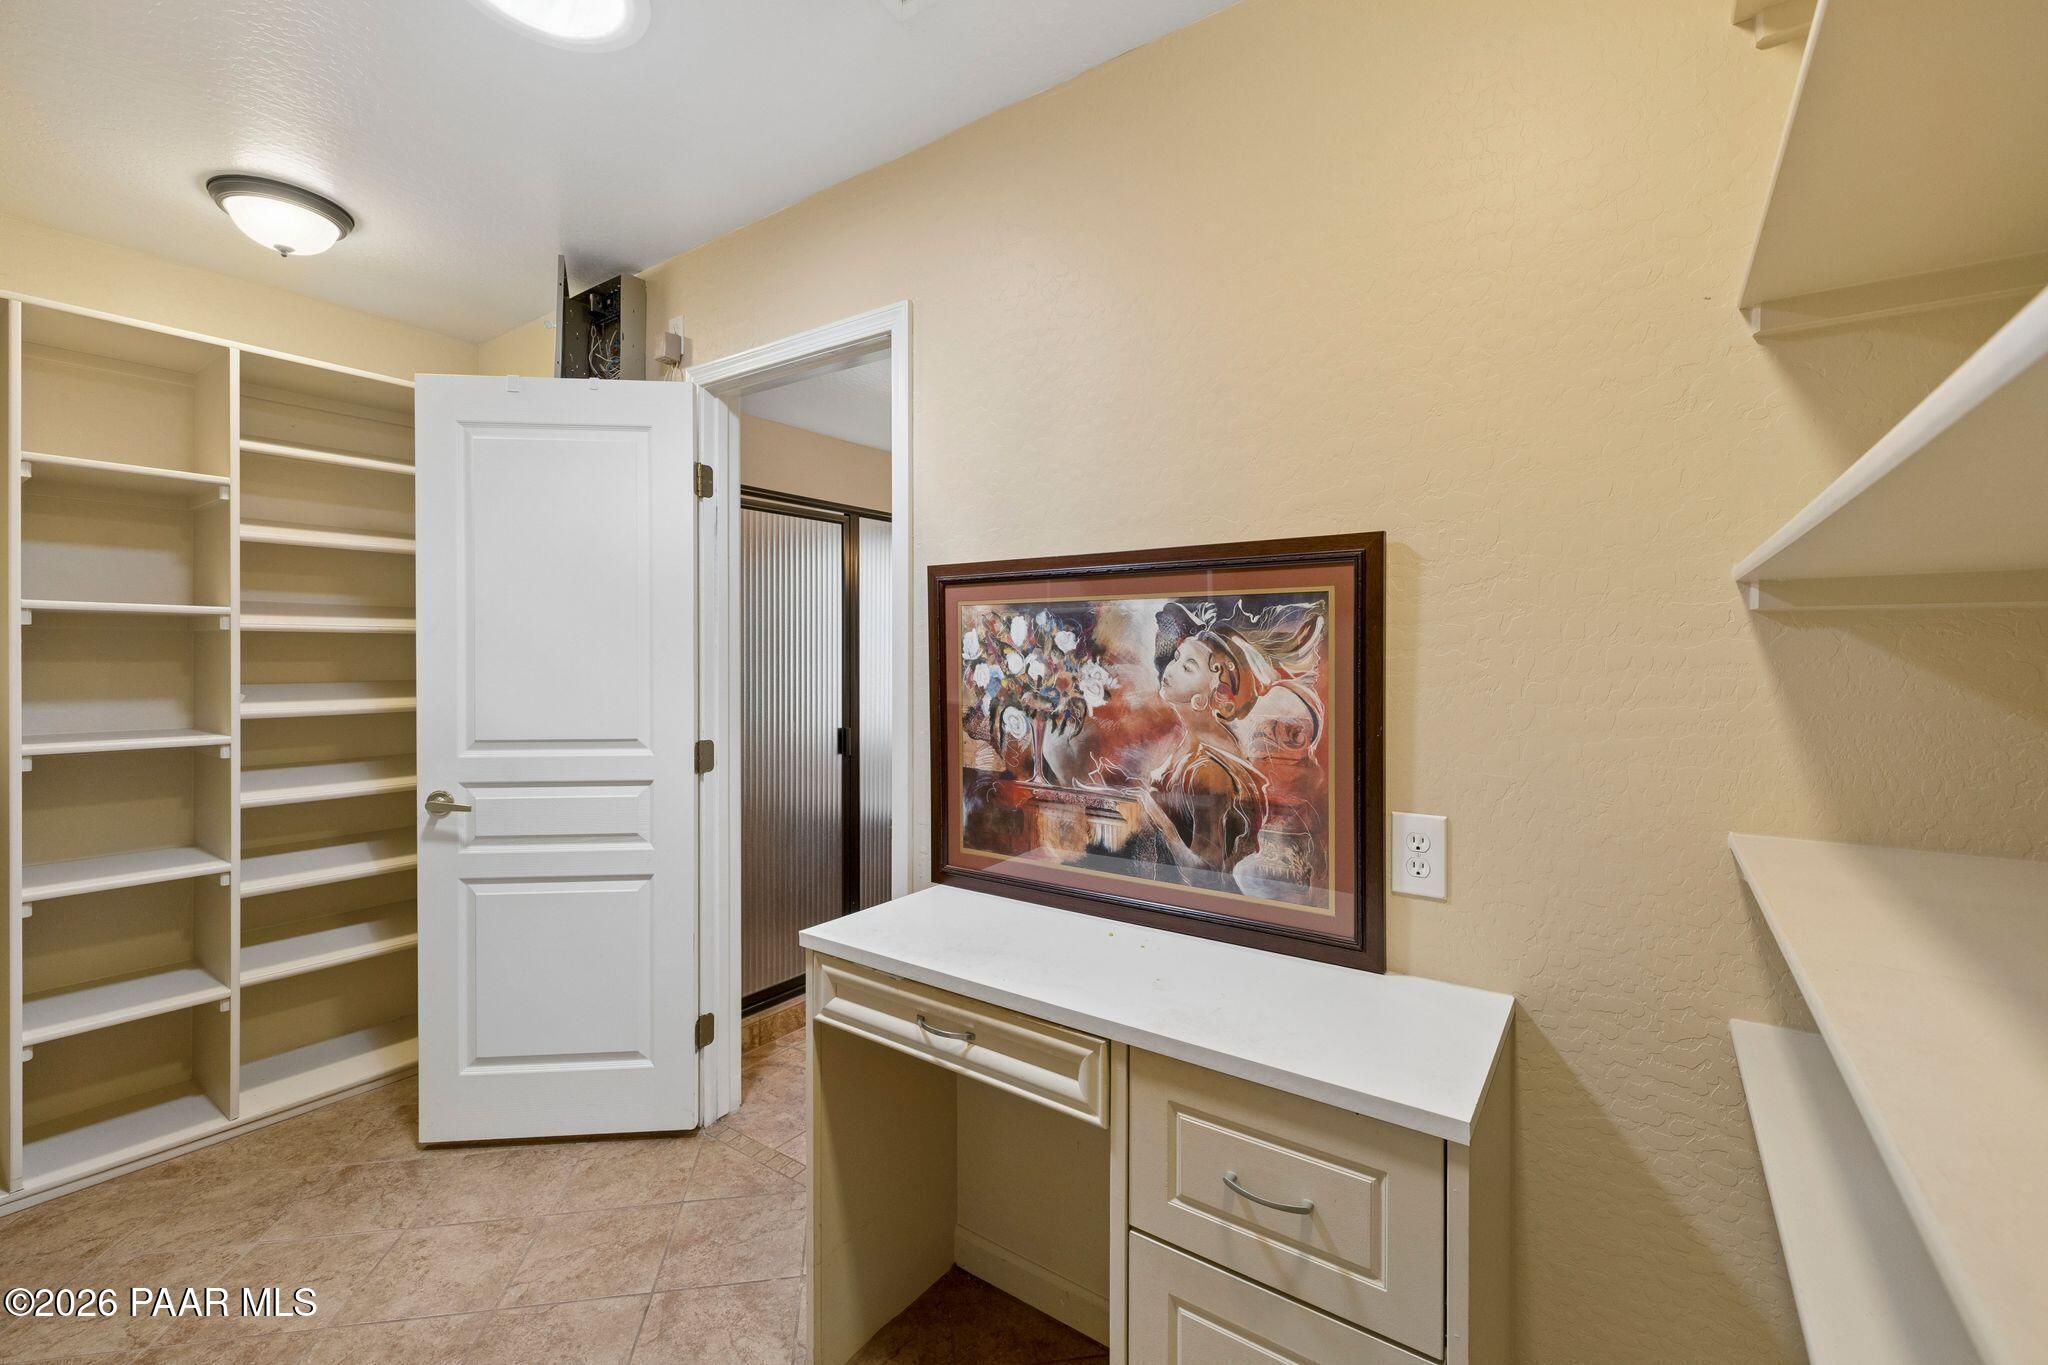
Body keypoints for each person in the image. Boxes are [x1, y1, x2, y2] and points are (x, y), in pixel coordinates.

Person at [1118, 598, 1324, 892]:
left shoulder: (1208, 772)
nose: (1170, 670)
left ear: (1205, 697)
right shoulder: (1190, 749)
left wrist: (1158, 821)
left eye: (1188, 667)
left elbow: (1206, 875)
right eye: (1176, 658)